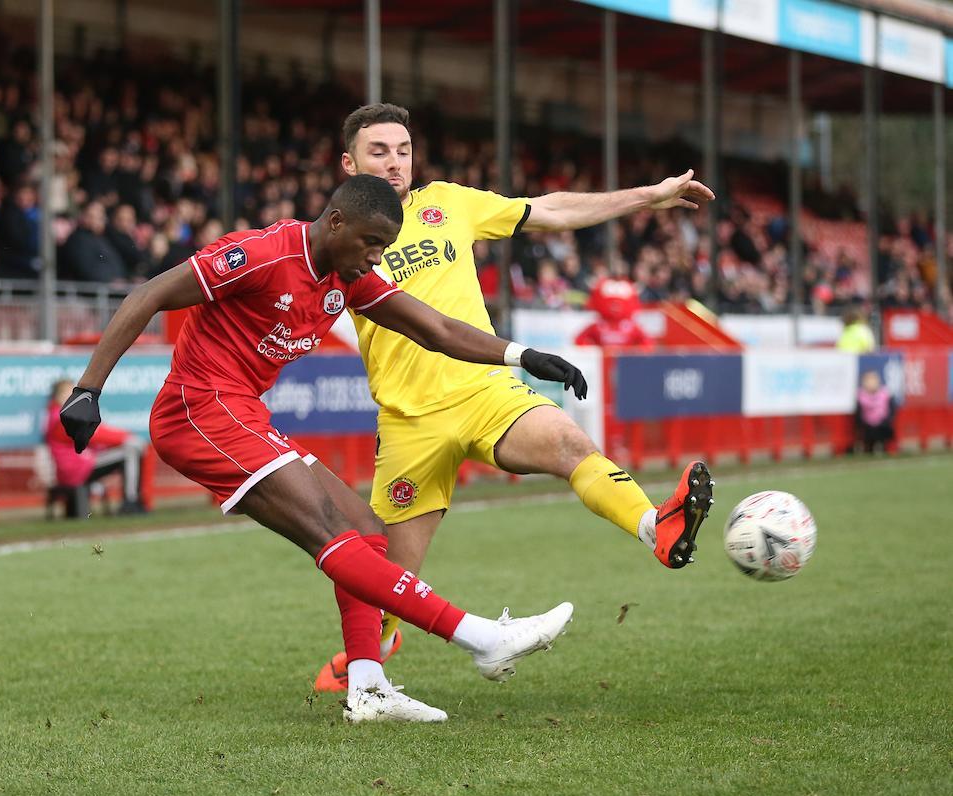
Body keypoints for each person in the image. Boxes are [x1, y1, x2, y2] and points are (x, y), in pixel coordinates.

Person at [58, 174, 586, 723]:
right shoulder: (262, 255)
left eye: (384, 247)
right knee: (332, 533)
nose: (376, 258)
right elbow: (149, 294)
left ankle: (368, 686)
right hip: (197, 409)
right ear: (335, 222)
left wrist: (521, 356)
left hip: (241, 411)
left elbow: (435, 329)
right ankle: (480, 637)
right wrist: (88, 389)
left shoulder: (347, 277)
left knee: (366, 530)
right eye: (371, 243)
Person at [313, 103, 716, 692]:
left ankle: (658, 526)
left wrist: (647, 196)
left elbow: (548, 210)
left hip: (486, 391)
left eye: (402, 150)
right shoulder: (335, 240)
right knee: (386, 582)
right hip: (408, 424)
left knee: (566, 441)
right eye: (379, 151)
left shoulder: (447, 203)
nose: (394, 162)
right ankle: (371, 651)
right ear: (349, 162)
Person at [45, 379, 145, 514]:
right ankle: (130, 502)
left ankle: (132, 501)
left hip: (77, 466)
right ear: (59, 396)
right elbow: (95, 435)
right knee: (130, 451)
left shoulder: (56, 415)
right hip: (78, 468)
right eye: (69, 392)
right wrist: (126, 437)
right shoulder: (61, 417)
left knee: (129, 449)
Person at [854, 370, 896, 454]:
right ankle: (870, 448)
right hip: (867, 424)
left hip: (883, 423)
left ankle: (882, 446)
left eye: (873, 380)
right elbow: (858, 414)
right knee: (868, 432)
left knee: (884, 429)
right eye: (868, 381)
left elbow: (891, 410)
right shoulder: (860, 395)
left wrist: (886, 420)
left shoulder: (885, 393)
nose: (871, 383)